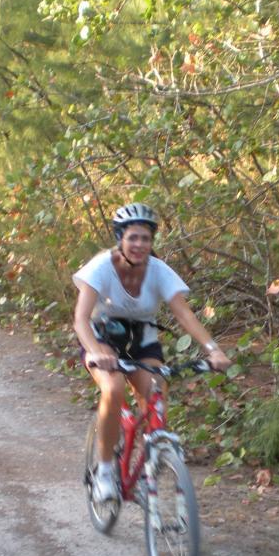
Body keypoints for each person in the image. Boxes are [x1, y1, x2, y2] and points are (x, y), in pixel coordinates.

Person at [73, 202, 232, 501]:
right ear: (120, 237)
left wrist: (213, 350)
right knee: (114, 387)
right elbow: (81, 318)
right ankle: (106, 471)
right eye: (133, 237)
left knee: (156, 393)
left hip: (141, 337)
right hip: (103, 336)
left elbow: (185, 315)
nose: (139, 244)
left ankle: (150, 466)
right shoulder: (101, 266)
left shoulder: (159, 271)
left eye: (145, 238)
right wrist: (95, 352)